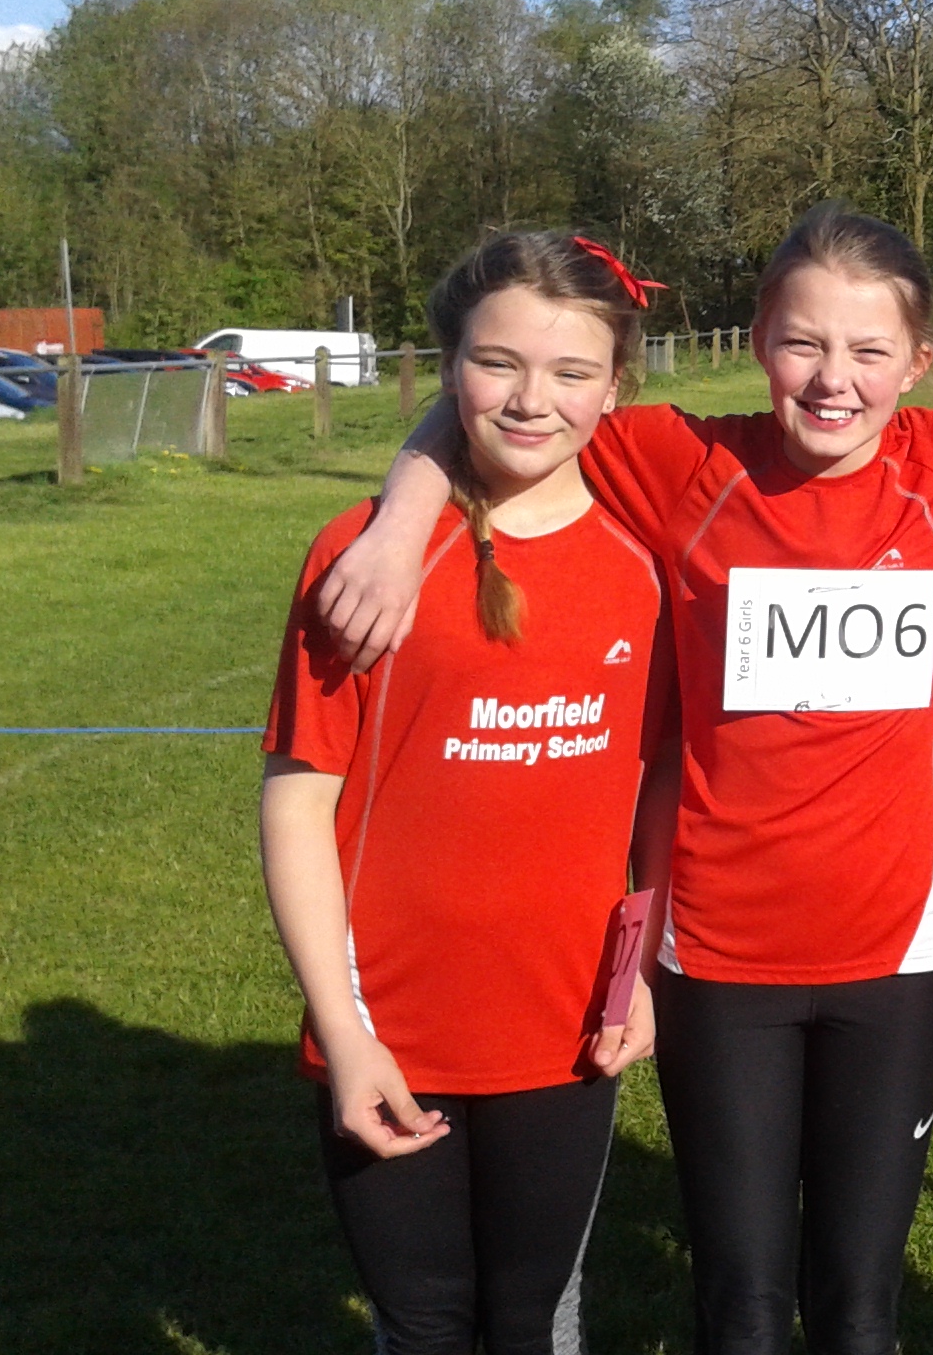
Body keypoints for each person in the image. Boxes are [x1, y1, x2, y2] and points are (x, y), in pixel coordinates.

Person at [310, 203, 933, 1355]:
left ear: (917, 365)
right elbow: (517, 398)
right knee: (743, 1307)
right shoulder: (685, 462)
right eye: (803, 343)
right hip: (717, 959)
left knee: (856, 1309)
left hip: (893, 965)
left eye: (868, 351)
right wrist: (399, 520)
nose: (833, 380)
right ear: (758, 340)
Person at [260, 231, 674, 1355]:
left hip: (565, 1032)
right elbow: (297, 801)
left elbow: (657, 787)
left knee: (534, 1319)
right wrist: (345, 1033)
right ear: (449, 369)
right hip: (388, 1030)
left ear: (616, 387)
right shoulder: (359, 559)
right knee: (423, 1322)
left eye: (571, 372)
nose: (532, 400)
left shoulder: (646, 565)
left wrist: (638, 972)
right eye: (498, 363)